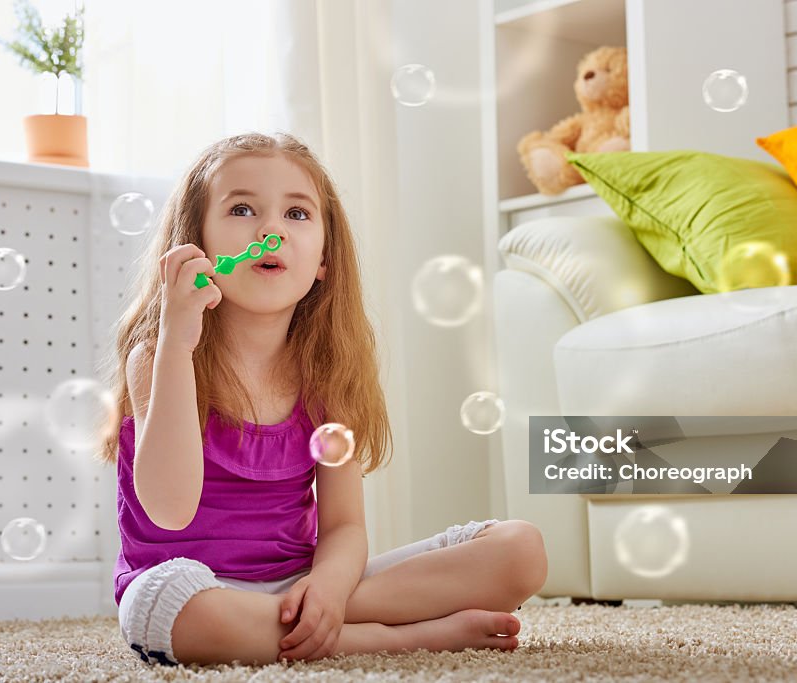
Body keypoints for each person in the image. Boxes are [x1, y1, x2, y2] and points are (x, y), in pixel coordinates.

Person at [98, 132, 548, 668]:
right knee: (177, 612)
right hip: (188, 587)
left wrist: (329, 592)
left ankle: (311, 622)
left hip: (299, 586)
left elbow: (344, 528)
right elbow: (169, 513)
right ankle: (400, 637)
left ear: (323, 262)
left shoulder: (327, 375)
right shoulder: (158, 357)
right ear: (194, 244)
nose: (270, 229)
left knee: (521, 550)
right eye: (242, 208)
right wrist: (176, 344)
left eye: (297, 214)